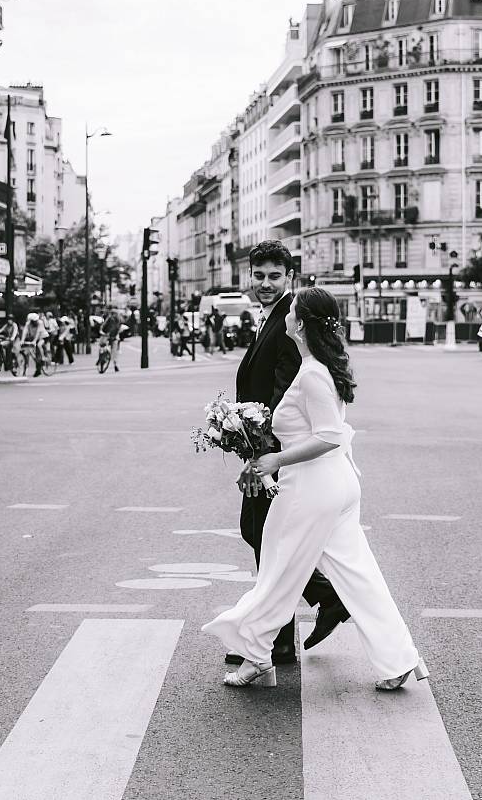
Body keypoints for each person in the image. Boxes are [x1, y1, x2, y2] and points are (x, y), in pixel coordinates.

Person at [204, 286, 425, 690]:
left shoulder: (312, 375)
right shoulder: (318, 367)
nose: (285, 314)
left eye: (292, 312)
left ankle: (256, 656)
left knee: (277, 573)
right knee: (359, 577)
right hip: (333, 486)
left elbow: (329, 436)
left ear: (300, 324)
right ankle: (399, 660)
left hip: (312, 489)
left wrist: (274, 460)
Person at [217, 240, 348, 670]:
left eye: (275, 276)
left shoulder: (289, 321)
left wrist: (261, 450)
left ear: (289, 277)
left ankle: (286, 632)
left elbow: (283, 394)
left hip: (273, 452)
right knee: (262, 537)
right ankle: (290, 625)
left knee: (264, 538)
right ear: (249, 276)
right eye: (259, 276)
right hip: (264, 448)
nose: (266, 284)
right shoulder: (269, 316)